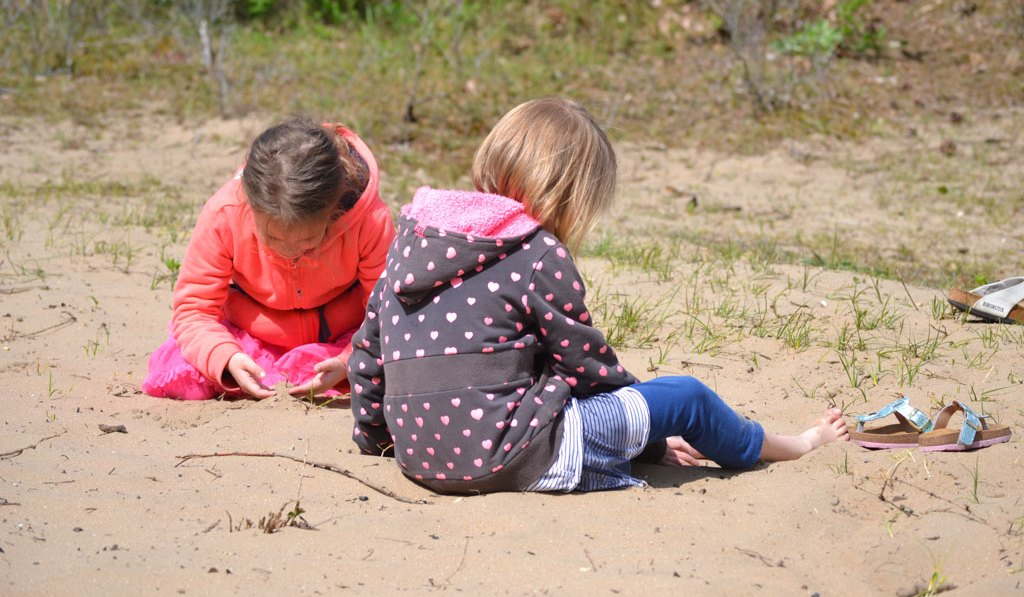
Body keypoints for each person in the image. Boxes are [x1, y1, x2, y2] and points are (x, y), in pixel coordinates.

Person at [347, 98, 847, 493]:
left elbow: (369, 354)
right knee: (686, 399)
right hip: (515, 454)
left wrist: (376, 437)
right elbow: (586, 368)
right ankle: (796, 444)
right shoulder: (536, 252)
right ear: (570, 196)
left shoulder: (412, 238)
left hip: (418, 455)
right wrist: (646, 434)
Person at [143, 119, 395, 400]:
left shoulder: (369, 221)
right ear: (250, 205)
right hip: (250, 340)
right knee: (186, 366)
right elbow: (194, 310)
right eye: (272, 239)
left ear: (333, 212)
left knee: (397, 364)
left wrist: (351, 361)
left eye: (307, 242)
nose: (289, 251)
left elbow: (387, 314)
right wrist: (226, 359)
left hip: (342, 342)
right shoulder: (224, 213)